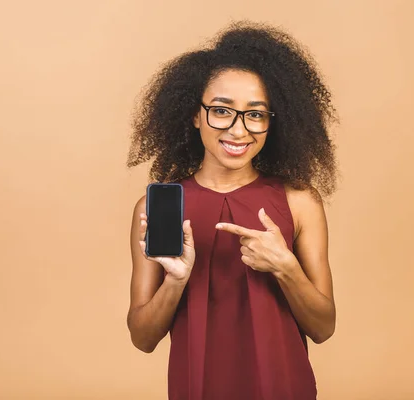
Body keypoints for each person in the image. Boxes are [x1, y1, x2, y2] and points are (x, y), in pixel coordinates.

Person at [126, 21, 337, 400]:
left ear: (274, 122)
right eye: (222, 111)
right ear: (194, 114)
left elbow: (323, 328)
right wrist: (175, 281)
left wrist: (286, 267)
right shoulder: (158, 208)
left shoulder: (300, 202)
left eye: (256, 114)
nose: (239, 131)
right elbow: (142, 338)